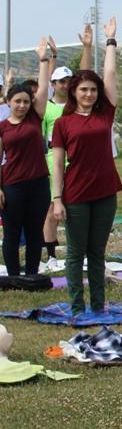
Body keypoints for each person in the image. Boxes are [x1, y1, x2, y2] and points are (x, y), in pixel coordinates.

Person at [50, 18, 121, 313]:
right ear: (74, 92)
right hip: (76, 195)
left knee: (97, 253)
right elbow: (56, 165)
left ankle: (99, 306)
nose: (89, 94)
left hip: (106, 193)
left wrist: (110, 43)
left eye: (93, 90)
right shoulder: (62, 123)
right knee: (76, 254)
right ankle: (77, 307)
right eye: (84, 90)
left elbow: (110, 74)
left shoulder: (105, 116)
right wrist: (57, 199)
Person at [0, 37, 53, 276]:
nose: (22, 105)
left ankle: (31, 273)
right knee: (11, 232)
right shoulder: (2, 126)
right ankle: (13, 275)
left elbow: (43, 89)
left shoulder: (35, 118)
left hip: (39, 183)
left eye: (25, 101)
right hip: (12, 185)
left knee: (34, 231)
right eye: (17, 102)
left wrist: (43, 60)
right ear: (8, 102)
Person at [41, 26, 91, 269]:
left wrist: (87, 48)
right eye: (61, 81)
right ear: (54, 84)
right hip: (54, 162)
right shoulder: (48, 109)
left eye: (68, 81)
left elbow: (85, 73)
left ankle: (78, 251)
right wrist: (52, 57)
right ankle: (50, 255)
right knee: (53, 208)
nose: (65, 84)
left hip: (79, 162)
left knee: (78, 210)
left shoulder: (75, 105)